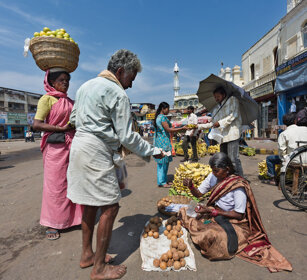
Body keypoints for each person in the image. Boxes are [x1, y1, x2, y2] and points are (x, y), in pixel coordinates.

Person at [66, 49, 163, 280]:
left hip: (80, 147)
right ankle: (99, 269)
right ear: (120, 72)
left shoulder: (84, 87)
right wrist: (154, 151)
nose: (129, 86)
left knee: (90, 205)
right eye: (130, 79)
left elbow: (72, 120)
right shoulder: (117, 93)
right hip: (96, 152)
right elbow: (127, 137)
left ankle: (87, 254)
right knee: (110, 207)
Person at [180, 152, 292, 272]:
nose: (214, 173)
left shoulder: (238, 185)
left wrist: (214, 213)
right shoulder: (213, 176)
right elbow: (199, 194)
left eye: (216, 171)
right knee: (184, 210)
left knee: (210, 235)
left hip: (233, 220)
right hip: (214, 212)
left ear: (227, 169)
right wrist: (191, 187)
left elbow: (239, 214)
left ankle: (224, 241)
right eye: (212, 170)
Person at [33, 68, 83, 240]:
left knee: (73, 182)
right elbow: (37, 124)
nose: (65, 83)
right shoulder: (46, 99)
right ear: (51, 82)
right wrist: (59, 128)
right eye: (61, 80)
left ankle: (75, 219)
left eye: (67, 80)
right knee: (56, 186)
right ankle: (53, 223)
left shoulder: (70, 101)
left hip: (72, 146)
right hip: (55, 148)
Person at [265, 112, 307, 185]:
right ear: (295, 121)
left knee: (269, 159)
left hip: (294, 160)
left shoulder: (284, 133)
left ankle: (272, 179)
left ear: (284, 123)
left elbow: (281, 151)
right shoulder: (305, 129)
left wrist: (284, 159)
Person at [211, 86, 244, 177]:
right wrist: (200, 126)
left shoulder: (232, 100)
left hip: (232, 134)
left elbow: (234, 115)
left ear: (224, 95)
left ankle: (240, 178)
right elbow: (214, 121)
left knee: (233, 159)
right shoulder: (217, 107)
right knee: (223, 159)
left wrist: (220, 123)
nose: (216, 99)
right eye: (215, 97)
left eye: (218, 96)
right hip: (223, 136)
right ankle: (228, 177)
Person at [154, 102, 187, 188]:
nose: (168, 110)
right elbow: (169, 129)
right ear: (163, 109)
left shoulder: (158, 117)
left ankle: (162, 180)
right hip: (164, 142)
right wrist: (182, 128)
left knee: (161, 162)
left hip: (159, 141)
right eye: (167, 108)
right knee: (164, 162)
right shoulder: (162, 118)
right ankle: (162, 182)